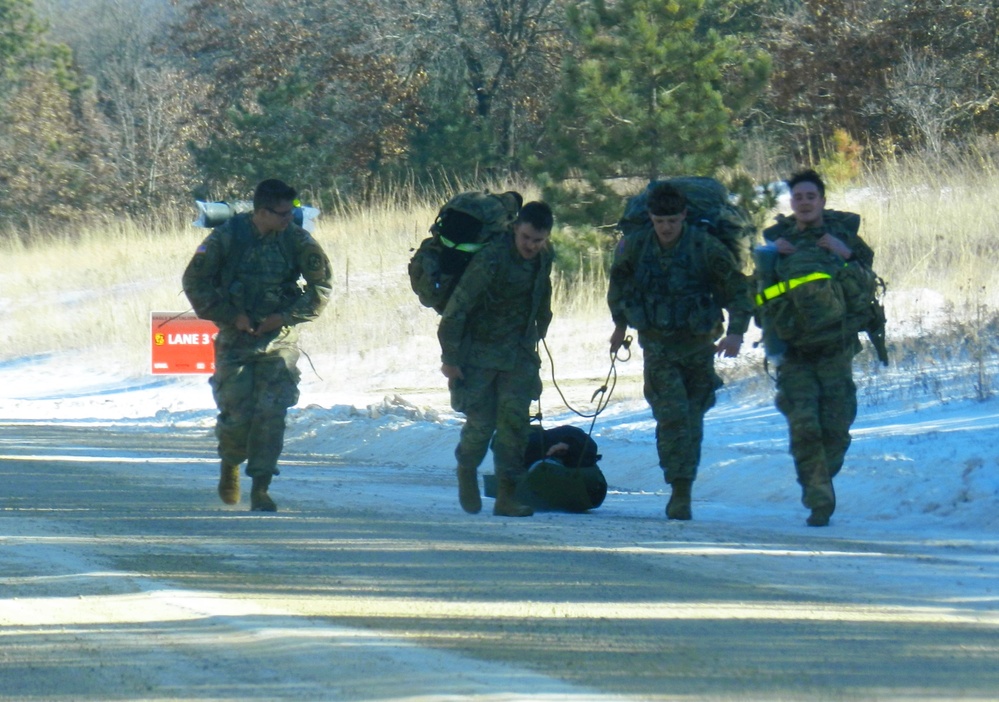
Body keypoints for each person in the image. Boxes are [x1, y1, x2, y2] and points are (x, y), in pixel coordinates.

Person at [182, 179, 332, 512]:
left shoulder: (296, 239)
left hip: (278, 341)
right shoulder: (227, 238)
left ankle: (261, 486)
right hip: (235, 339)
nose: (287, 219)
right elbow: (194, 281)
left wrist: (285, 316)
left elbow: (321, 287)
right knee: (237, 415)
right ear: (261, 211)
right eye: (281, 213)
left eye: (291, 213)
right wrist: (229, 315)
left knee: (271, 414)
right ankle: (230, 464)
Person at [608, 182, 752, 520]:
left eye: (672, 220)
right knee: (672, 416)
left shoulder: (705, 247)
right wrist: (619, 325)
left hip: (700, 346)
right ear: (651, 218)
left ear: (684, 216)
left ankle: (683, 482)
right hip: (657, 346)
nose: (667, 228)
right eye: (660, 221)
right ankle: (680, 488)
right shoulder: (638, 246)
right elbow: (620, 282)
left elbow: (737, 290)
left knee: (692, 417)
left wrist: (736, 334)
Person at [760, 169, 875, 527]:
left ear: (822, 201)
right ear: (791, 203)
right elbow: (760, 296)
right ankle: (818, 500)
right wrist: (770, 258)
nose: (805, 203)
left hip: (835, 350)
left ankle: (821, 475)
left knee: (836, 430)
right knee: (804, 428)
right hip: (795, 352)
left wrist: (845, 256)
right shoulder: (775, 246)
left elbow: (868, 289)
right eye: (798, 197)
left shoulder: (845, 240)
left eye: (811, 197)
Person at [439, 201, 555, 517]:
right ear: (516, 227)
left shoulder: (544, 257)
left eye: (538, 240)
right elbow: (458, 308)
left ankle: (507, 497)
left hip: (518, 354)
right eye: (527, 237)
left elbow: (542, 293)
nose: (531, 245)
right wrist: (450, 357)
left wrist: (540, 329)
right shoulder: (492, 258)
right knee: (481, 423)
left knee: (514, 426)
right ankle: (466, 468)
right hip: (479, 354)